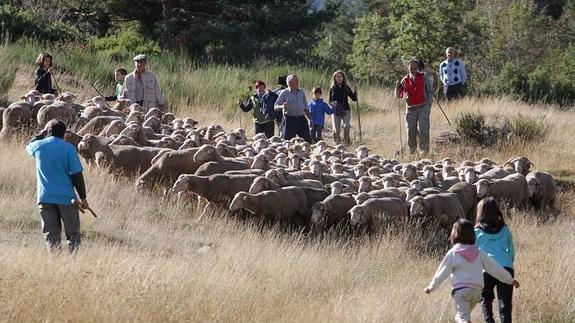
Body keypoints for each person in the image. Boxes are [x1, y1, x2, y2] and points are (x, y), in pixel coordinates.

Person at [425, 219, 520, 323]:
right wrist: (509, 279)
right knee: (460, 316)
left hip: (461, 291)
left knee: (463, 318)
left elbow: (442, 272)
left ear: (454, 235)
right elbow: (495, 268)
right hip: (476, 292)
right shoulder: (479, 252)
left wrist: (431, 287)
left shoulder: (453, 253)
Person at [26, 119, 89, 254]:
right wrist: (83, 198)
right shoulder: (69, 148)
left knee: (51, 235)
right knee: (73, 234)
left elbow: (28, 145)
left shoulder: (38, 146)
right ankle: (73, 263)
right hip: (67, 199)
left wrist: (41, 134)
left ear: (47, 132)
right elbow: (77, 175)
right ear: (64, 133)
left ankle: (55, 263)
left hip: (45, 198)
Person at [475, 197, 516, 323]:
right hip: (506, 268)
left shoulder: (476, 232)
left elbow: (474, 254)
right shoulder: (505, 230)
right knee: (505, 303)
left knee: (485, 299)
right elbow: (512, 252)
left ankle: (489, 321)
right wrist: (508, 264)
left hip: (486, 269)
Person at [396, 58, 434, 154]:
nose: (413, 70)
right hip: (410, 109)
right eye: (411, 68)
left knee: (424, 129)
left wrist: (429, 104)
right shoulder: (404, 80)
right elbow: (400, 96)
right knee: (410, 131)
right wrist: (397, 88)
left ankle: (424, 151)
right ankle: (412, 151)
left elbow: (429, 91)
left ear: (417, 68)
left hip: (423, 107)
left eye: (415, 68)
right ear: (408, 68)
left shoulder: (424, 76)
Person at [274, 74, 312, 143]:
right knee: (287, 142)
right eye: (295, 81)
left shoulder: (301, 92)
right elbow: (275, 106)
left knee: (307, 141)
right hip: (290, 120)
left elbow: (306, 107)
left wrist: (310, 119)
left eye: (297, 80)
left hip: (301, 119)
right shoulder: (284, 93)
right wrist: (282, 106)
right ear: (289, 83)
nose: (297, 82)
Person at [329, 70, 357, 146]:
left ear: (343, 78)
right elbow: (330, 101)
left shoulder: (346, 87)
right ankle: (337, 145)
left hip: (346, 109)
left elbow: (354, 99)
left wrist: (355, 91)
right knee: (336, 130)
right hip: (335, 110)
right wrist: (333, 103)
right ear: (334, 78)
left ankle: (346, 142)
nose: (339, 78)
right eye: (337, 76)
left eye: (340, 76)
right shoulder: (332, 88)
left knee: (346, 126)